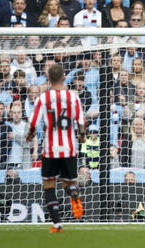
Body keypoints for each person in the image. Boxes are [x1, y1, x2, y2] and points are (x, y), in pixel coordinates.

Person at [26, 64, 87, 233]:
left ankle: (57, 223)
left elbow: (33, 122)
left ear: (48, 78)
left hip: (50, 148)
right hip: (69, 148)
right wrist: (82, 136)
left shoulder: (43, 98)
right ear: (64, 77)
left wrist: (29, 136)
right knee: (69, 182)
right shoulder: (73, 97)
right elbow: (81, 122)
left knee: (49, 185)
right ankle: (74, 192)